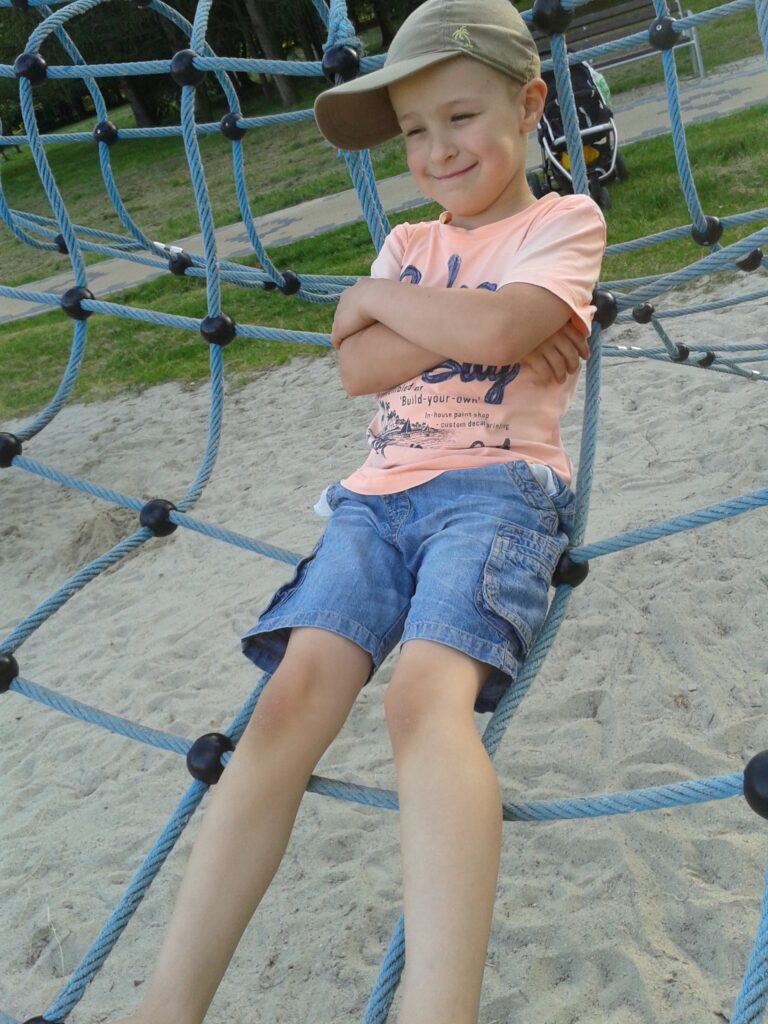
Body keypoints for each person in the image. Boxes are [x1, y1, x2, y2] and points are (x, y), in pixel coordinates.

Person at [116, 2, 605, 1022]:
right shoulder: (408, 240)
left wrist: (385, 305)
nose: (437, 149)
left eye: (460, 117)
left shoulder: (562, 223)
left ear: (529, 104)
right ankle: (168, 1001)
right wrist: (461, 318)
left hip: (496, 492)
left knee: (420, 700)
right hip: (373, 505)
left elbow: (491, 330)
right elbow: (359, 368)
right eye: (415, 131)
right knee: (288, 701)